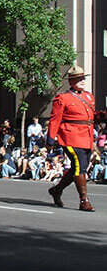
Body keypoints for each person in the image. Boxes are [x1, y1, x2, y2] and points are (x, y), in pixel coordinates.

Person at [47, 66, 96, 211]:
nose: (82, 81)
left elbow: (89, 117)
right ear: (71, 81)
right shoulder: (63, 98)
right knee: (79, 164)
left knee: (78, 168)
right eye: (78, 78)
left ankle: (57, 190)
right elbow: (55, 119)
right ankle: (84, 200)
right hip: (70, 136)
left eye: (83, 78)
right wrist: (50, 139)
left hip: (86, 137)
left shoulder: (88, 96)